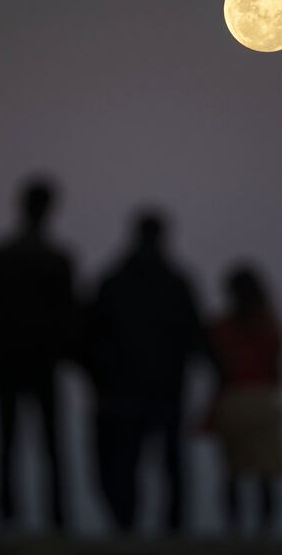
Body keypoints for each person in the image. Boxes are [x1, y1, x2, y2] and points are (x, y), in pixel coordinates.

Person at [84, 210, 202, 532]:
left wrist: (100, 377)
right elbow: (195, 337)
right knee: (169, 461)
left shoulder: (114, 281)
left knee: (124, 461)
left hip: (123, 390)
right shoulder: (177, 283)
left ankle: (128, 524)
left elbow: (91, 335)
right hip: (164, 388)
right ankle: (172, 526)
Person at [0, 178, 74, 527]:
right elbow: (70, 318)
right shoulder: (57, 260)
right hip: (40, 363)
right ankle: (55, 515)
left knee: (8, 441)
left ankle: (8, 513)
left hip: (9, 363)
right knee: (50, 444)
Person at [208, 264, 282, 534]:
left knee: (233, 471)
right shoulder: (269, 326)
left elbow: (217, 365)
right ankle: (264, 532)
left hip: (233, 398)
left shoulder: (223, 327)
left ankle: (235, 530)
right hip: (262, 399)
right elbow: (278, 369)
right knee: (265, 472)